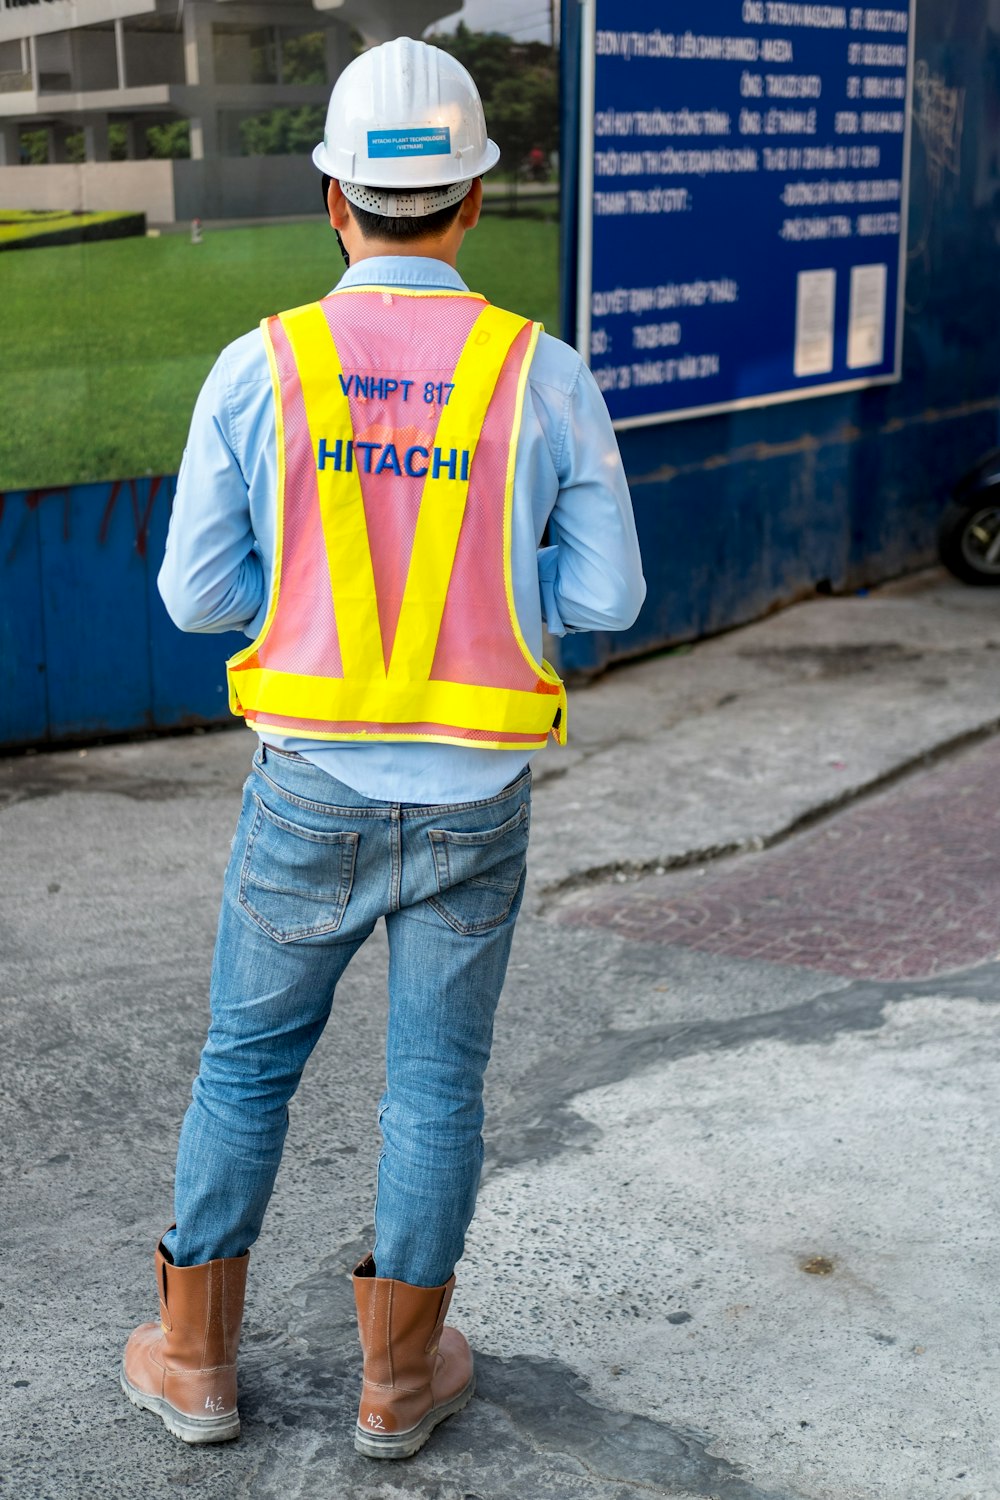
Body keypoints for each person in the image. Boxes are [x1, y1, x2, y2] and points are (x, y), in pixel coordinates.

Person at [121, 35, 645, 1461]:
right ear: (474, 202)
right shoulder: (544, 373)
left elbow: (192, 597)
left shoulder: (262, 367)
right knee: (432, 1091)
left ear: (334, 199)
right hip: (478, 800)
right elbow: (606, 599)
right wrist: (498, 578)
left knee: (243, 1070)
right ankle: (398, 1387)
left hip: (307, 793)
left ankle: (193, 1362)